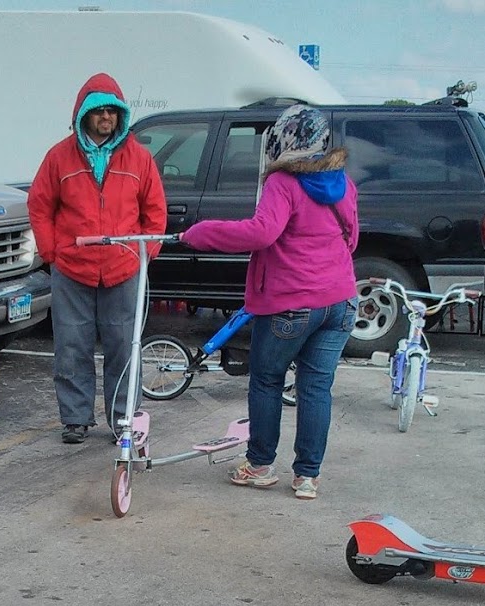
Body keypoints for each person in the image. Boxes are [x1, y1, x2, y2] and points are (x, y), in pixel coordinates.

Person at [179, 104, 359, 499]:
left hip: (290, 304)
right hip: (340, 301)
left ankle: (260, 466)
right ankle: (307, 477)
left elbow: (262, 232)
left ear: (285, 140)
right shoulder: (342, 182)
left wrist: (203, 232)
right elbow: (352, 237)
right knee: (316, 388)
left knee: (266, 380)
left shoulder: (284, 182)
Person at [27, 72, 167, 444]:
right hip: (72, 269)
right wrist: (51, 252)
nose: (106, 117)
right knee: (71, 345)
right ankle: (75, 418)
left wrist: (146, 252)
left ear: (120, 115)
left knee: (124, 346)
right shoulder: (58, 157)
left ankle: (124, 419)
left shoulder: (140, 157)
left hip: (123, 269)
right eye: (98, 111)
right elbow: (39, 205)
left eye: (111, 111)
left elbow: (155, 210)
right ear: (84, 114)